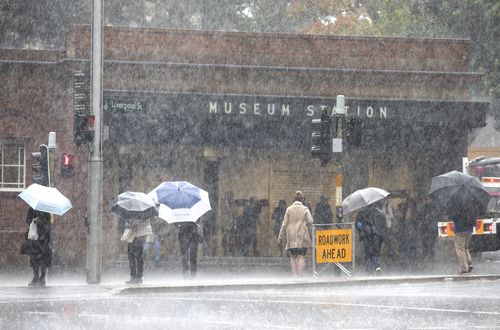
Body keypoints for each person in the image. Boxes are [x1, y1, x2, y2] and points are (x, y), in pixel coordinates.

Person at [278, 191, 314, 276]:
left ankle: (294, 274)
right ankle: (300, 273)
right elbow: (311, 221)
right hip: (302, 235)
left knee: (293, 256)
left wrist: (280, 236)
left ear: (294, 199)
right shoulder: (305, 209)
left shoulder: (289, 209)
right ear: (302, 199)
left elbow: (284, 224)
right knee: (301, 255)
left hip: (291, 236)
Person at [447, 195, 479, 275]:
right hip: (469, 230)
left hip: (460, 230)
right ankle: (469, 263)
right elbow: (474, 218)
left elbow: (453, 217)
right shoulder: (471, 204)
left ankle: (464, 268)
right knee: (465, 248)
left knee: (460, 249)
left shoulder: (457, 205)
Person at [21, 208, 52, 287]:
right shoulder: (32, 208)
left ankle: (42, 278)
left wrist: (41, 222)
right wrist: (34, 220)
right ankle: (36, 277)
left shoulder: (46, 209)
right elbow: (28, 220)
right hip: (34, 237)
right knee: (34, 258)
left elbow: (48, 224)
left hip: (44, 237)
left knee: (44, 258)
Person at [355, 203, 388, 275]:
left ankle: (369, 270)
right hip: (377, 235)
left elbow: (358, 225)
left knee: (368, 253)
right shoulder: (378, 212)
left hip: (367, 235)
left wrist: (362, 230)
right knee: (376, 252)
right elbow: (384, 224)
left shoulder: (361, 213)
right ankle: (377, 267)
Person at [125, 218, 152, 284]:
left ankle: (139, 277)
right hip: (131, 236)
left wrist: (138, 225)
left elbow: (147, 224)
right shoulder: (130, 213)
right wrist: (130, 225)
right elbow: (126, 223)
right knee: (131, 256)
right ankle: (133, 276)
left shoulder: (145, 214)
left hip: (140, 236)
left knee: (139, 256)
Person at [221, 191, 238, 256]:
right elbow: (223, 214)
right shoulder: (224, 204)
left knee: (230, 239)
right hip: (225, 223)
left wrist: (235, 223)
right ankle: (225, 252)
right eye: (229, 196)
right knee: (225, 238)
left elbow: (235, 213)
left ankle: (230, 252)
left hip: (231, 224)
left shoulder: (233, 204)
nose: (231, 198)